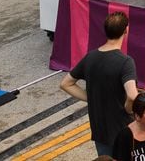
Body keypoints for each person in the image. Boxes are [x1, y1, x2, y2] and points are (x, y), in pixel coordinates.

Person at [60, 11, 140, 156]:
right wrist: (128, 109)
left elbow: (66, 83)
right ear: (126, 30)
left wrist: (91, 97)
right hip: (123, 129)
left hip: (100, 129)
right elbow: (133, 96)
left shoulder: (90, 57)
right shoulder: (125, 62)